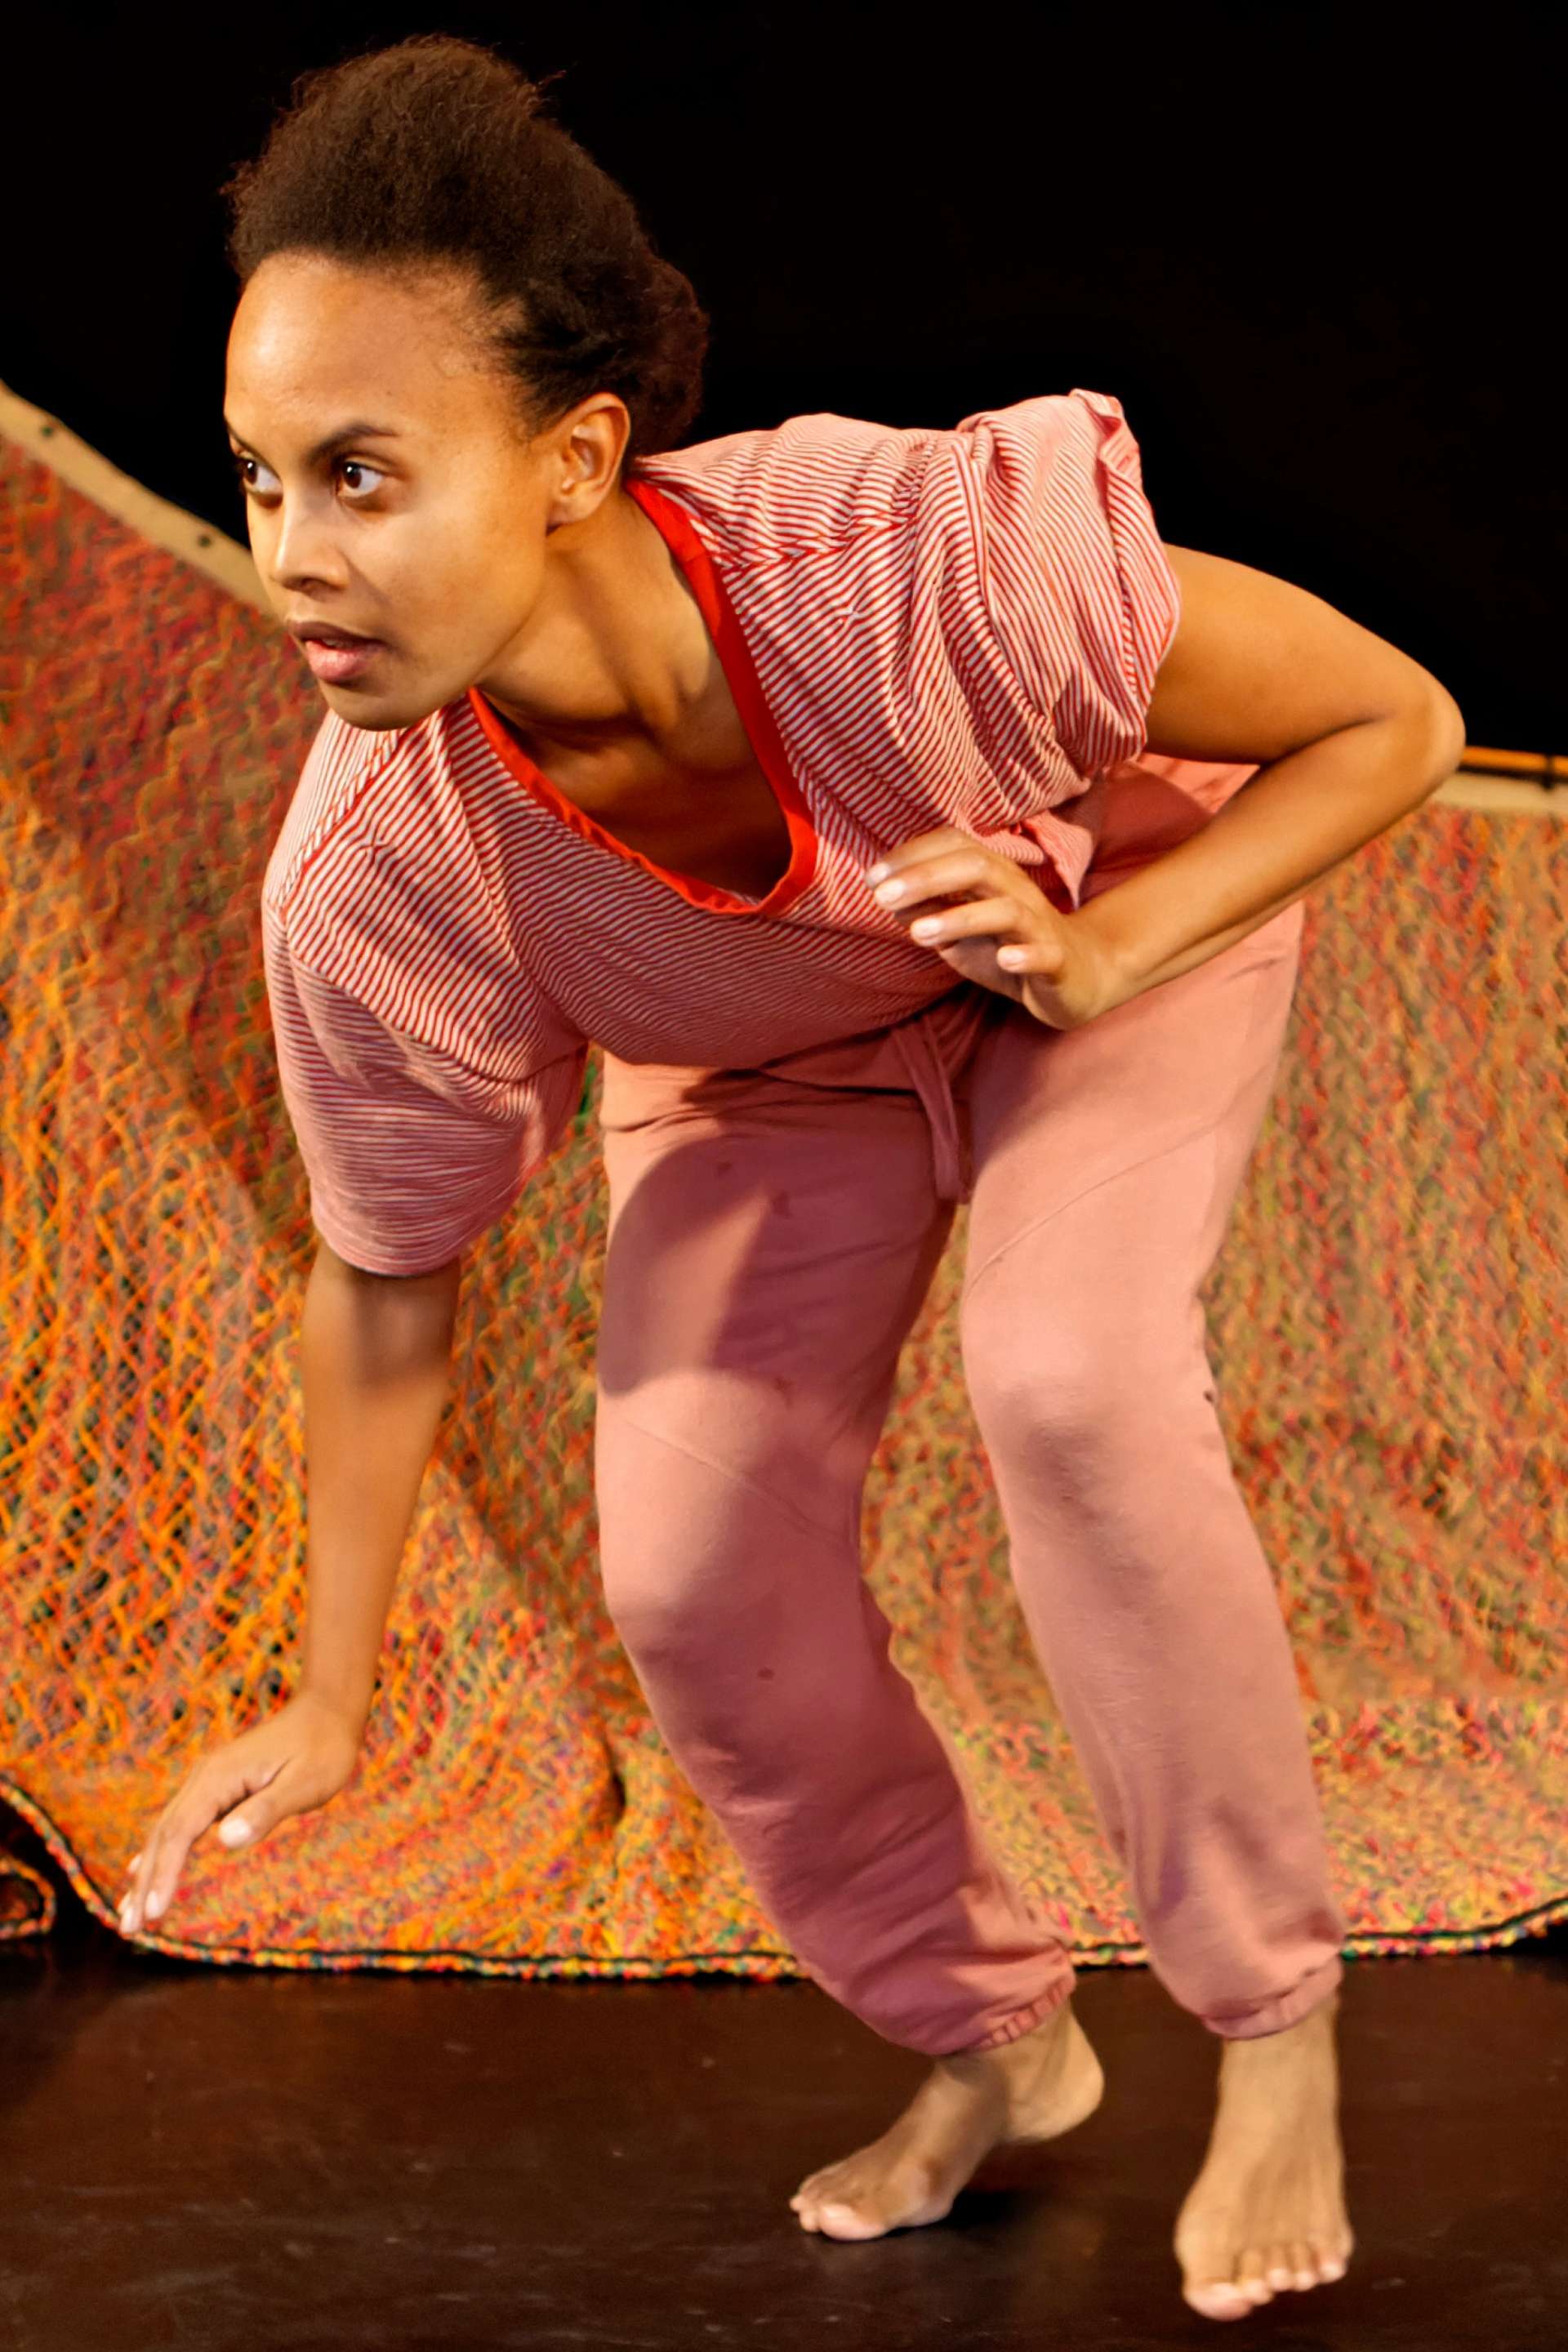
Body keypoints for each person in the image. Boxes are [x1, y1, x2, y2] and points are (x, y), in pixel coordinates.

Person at [116, 31, 1463, 2323]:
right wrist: (331, 1698)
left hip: (1098, 930)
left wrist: (1105, 945)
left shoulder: (896, 562)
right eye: (258, 480)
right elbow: (388, 1274)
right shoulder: (380, 866)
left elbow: (1391, 718)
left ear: (574, 459)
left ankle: (1273, 2029)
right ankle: (992, 2041)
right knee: (690, 1573)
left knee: (1068, 1378)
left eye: (361, 475)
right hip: (766, 1067)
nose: (296, 558)